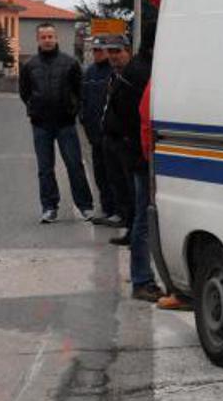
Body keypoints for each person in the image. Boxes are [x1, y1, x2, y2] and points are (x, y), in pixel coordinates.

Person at [103, 40, 167, 302]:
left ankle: (147, 278)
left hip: (136, 153)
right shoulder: (143, 72)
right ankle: (142, 280)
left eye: (117, 51)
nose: (113, 56)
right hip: (142, 156)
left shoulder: (136, 69)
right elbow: (141, 118)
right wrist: (144, 154)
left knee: (144, 217)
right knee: (144, 218)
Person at [19, 23, 95, 223]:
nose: (47, 40)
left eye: (50, 36)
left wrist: (73, 110)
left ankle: (85, 206)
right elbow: (24, 92)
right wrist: (34, 108)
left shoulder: (70, 63)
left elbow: (80, 90)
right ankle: (49, 207)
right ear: (38, 39)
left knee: (74, 165)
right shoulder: (29, 65)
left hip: (65, 123)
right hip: (41, 124)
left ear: (56, 38)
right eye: (43, 37)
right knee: (45, 169)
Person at [137, 78, 191, 311]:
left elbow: (146, 120)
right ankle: (176, 288)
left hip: (165, 158)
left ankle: (178, 288)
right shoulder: (163, 81)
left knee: (161, 221)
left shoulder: (161, 80)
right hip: (170, 158)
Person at [80, 37, 123, 228]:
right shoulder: (89, 72)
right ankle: (107, 209)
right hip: (95, 134)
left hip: (110, 134)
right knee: (100, 174)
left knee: (113, 174)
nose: (97, 53)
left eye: (100, 50)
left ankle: (118, 211)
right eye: (94, 50)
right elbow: (83, 99)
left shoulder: (114, 72)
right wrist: (83, 119)